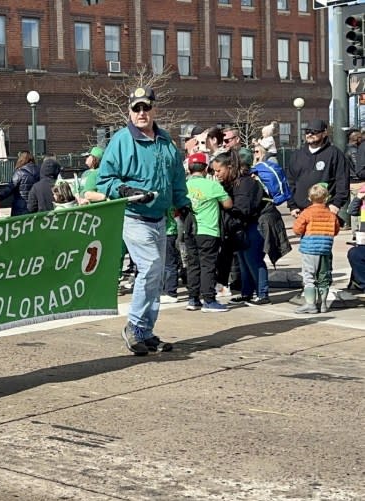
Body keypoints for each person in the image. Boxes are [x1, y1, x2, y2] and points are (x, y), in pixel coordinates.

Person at [96, 86, 191, 356]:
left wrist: (184, 206)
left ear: (154, 109)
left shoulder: (165, 142)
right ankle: (135, 327)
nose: (141, 113)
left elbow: (176, 179)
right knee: (149, 268)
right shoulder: (121, 141)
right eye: (136, 108)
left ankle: (146, 331)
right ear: (129, 111)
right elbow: (105, 180)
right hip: (133, 216)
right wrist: (124, 190)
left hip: (159, 218)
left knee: (155, 275)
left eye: (145, 107)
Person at [213, 151, 269, 305]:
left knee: (253, 259)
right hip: (242, 225)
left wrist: (228, 207)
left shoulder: (244, 183)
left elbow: (243, 209)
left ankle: (263, 293)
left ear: (230, 167)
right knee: (244, 260)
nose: (216, 174)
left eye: (219, 170)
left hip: (254, 224)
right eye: (214, 171)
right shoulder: (232, 183)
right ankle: (247, 292)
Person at [183, 152, 233, 312]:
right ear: (206, 169)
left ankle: (193, 298)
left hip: (190, 230)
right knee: (208, 265)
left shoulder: (184, 185)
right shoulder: (212, 185)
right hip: (208, 230)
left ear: (190, 169)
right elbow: (228, 204)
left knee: (193, 265)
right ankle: (209, 300)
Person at [287, 119, 350, 220]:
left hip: (326, 210)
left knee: (323, 236)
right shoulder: (297, 155)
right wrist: (292, 205)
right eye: (307, 131)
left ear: (324, 133)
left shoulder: (334, 154)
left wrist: (337, 204)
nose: (310, 134)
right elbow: (290, 182)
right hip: (301, 211)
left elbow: (342, 181)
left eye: (314, 132)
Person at [292, 184, 340, 314]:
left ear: (309, 198)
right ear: (326, 198)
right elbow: (336, 231)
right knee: (323, 276)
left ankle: (310, 305)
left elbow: (297, 229)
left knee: (309, 277)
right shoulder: (331, 214)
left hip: (310, 248)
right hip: (325, 248)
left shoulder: (306, 212)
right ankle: (323, 304)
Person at [0, 150, 39, 216]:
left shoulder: (19, 173)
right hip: (35, 206)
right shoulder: (39, 171)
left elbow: (9, 188)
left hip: (21, 208)